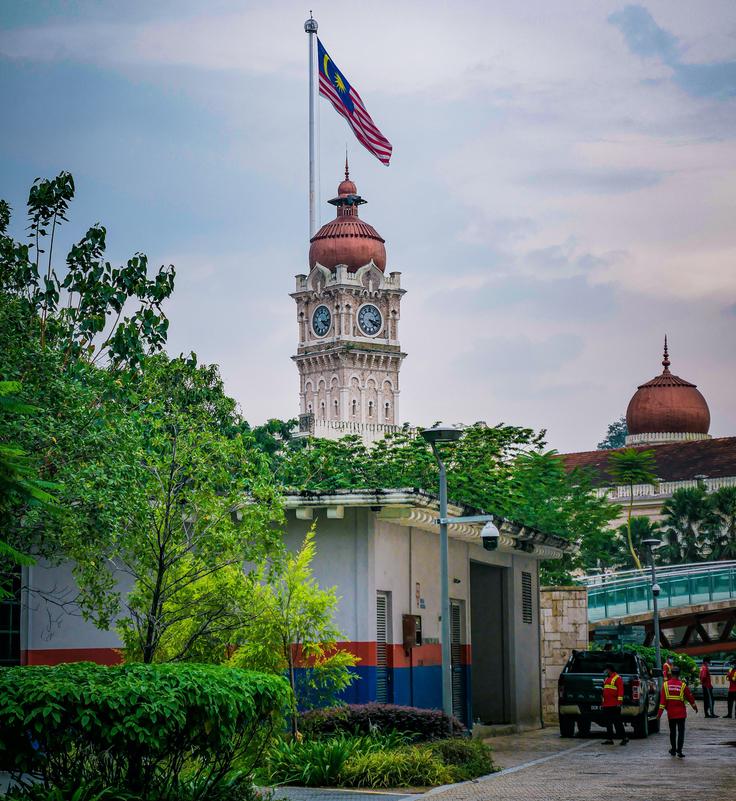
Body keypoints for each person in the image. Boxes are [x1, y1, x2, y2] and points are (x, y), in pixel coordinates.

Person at [658, 665, 698, 758]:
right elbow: (690, 697)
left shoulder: (665, 685)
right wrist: (694, 707)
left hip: (671, 713)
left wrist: (659, 715)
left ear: (671, 674)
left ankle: (673, 750)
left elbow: (662, 702)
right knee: (681, 732)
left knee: (672, 732)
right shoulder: (683, 685)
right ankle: (679, 751)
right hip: (681, 713)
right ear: (679, 674)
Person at [601, 664, 628, 746]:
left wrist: (619, 703)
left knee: (617, 723)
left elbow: (620, 691)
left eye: (606, 670)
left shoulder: (617, 678)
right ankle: (609, 739)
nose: (605, 671)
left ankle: (624, 738)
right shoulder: (607, 678)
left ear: (609, 670)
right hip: (606, 704)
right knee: (608, 723)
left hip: (614, 705)